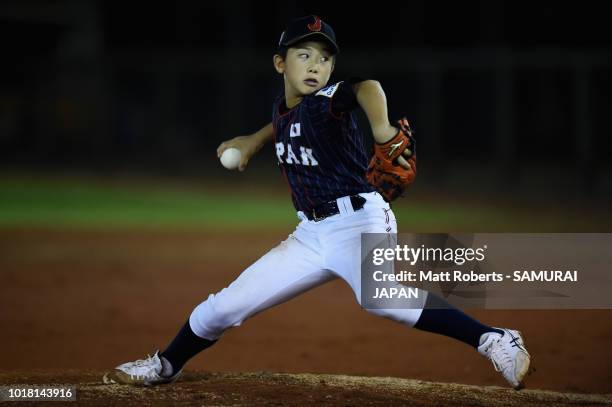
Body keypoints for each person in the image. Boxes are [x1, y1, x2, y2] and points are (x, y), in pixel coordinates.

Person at [103, 15, 530, 390]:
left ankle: (495, 338)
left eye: (324, 58)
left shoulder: (330, 101)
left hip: (359, 220)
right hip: (310, 235)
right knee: (225, 306)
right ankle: (165, 365)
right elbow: (282, 122)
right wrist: (253, 140)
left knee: (380, 297)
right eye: (303, 55)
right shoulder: (286, 108)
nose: (315, 64)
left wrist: (381, 130)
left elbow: (368, 87)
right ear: (280, 64)